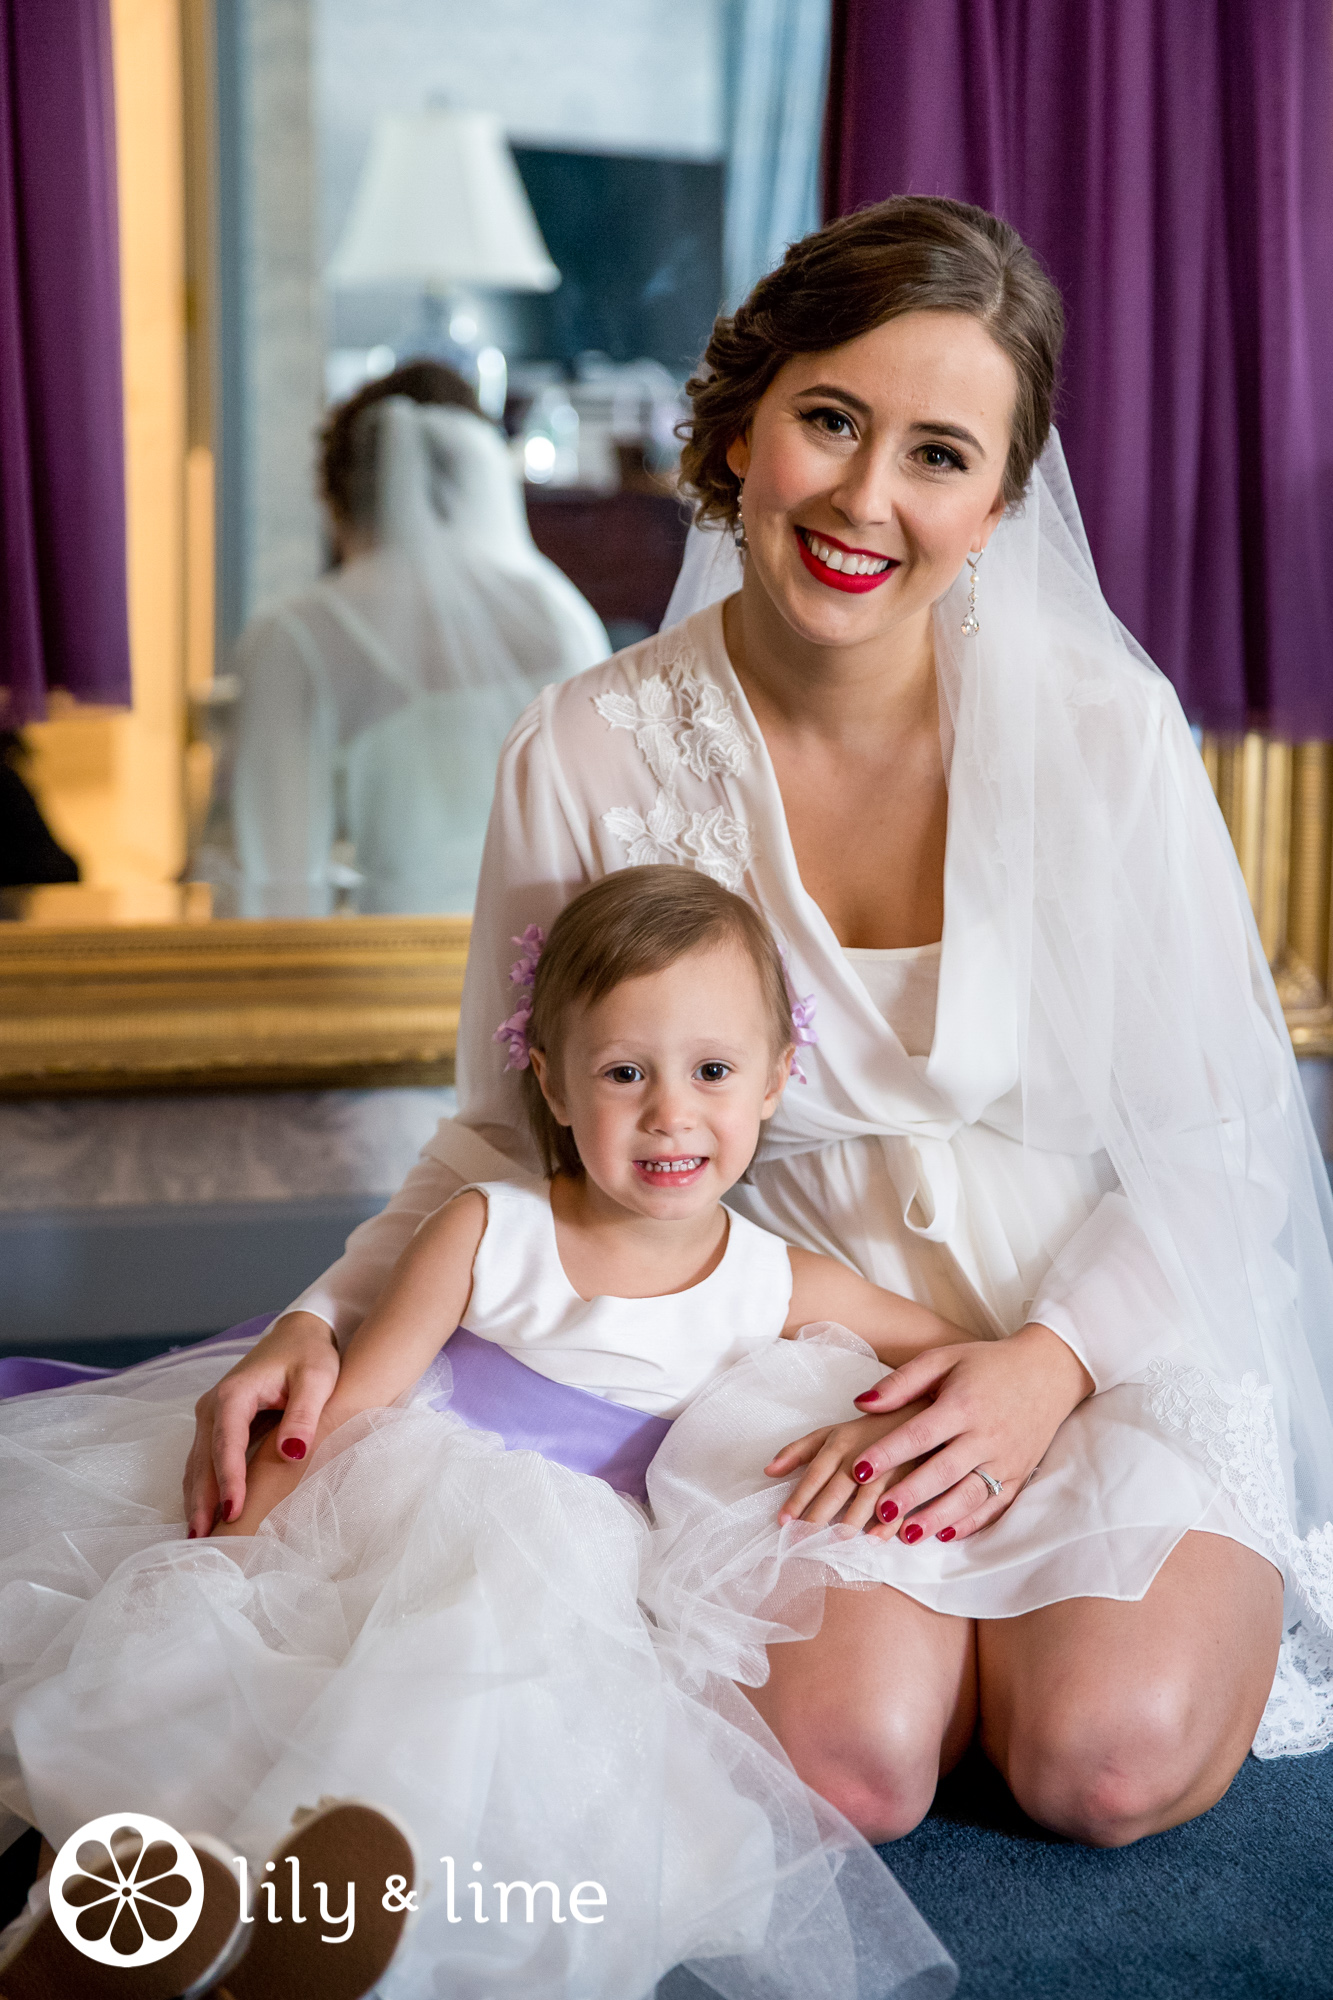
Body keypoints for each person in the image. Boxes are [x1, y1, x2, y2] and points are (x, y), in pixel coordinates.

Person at [189, 194, 1333, 1848]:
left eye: (938, 454)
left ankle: (1037, 1634)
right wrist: (318, 1316)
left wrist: (1043, 1366)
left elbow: (1220, 1139)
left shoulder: (1104, 732)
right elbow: (505, 1135)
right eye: (828, 420)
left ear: (999, 505)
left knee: (1103, 1763)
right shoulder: (582, 751)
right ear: (738, 430)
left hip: (1101, 1333)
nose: (868, 498)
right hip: (782, 1346)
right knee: (854, 1768)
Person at [0, 867, 960, 2000]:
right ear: (552, 1082)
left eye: (711, 1070)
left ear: (775, 1079)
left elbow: (943, 1345)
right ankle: (113, 1913)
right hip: (394, 1510)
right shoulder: (489, 1224)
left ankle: (329, 1928)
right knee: (239, 1677)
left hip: (580, 1569)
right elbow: (353, 1400)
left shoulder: (772, 1281)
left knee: (479, 1750)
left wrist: (1008, 1388)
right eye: (622, 1072)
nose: (668, 1111)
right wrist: (235, 1542)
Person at [229, 360, 608, 916]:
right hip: (547, 976)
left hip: (387, 982)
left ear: (336, 502)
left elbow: (278, 887)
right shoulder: (563, 620)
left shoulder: (295, 638)